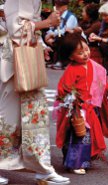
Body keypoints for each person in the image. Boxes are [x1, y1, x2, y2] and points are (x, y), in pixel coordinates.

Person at [0, 0, 70, 184]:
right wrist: (48, 23)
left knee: (34, 117)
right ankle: (41, 169)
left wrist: (41, 45)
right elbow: (16, 30)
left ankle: (42, 168)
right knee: (8, 117)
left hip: (21, 60)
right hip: (14, 64)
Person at [55, 33, 108, 175]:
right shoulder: (72, 69)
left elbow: (101, 83)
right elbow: (64, 87)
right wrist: (73, 98)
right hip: (78, 108)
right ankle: (75, 163)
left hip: (91, 107)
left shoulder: (95, 66)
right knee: (78, 134)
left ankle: (83, 160)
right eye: (80, 53)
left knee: (86, 135)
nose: (85, 54)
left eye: (86, 50)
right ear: (71, 57)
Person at [88, 2, 108, 74]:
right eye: (102, 16)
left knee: (103, 45)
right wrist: (94, 35)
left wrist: (99, 39)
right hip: (105, 42)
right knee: (93, 41)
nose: (103, 18)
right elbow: (100, 33)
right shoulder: (104, 21)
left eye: (106, 15)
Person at [45, 0, 78, 70]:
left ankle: (61, 61)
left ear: (65, 7)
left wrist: (52, 34)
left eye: (59, 7)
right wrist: (48, 36)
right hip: (57, 36)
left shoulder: (71, 17)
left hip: (69, 38)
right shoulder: (56, 16)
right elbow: (51, 28)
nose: (56, 8)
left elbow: (64, 31)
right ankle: (51, 59)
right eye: (56, 6)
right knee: (45, 34)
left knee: (60, 37)